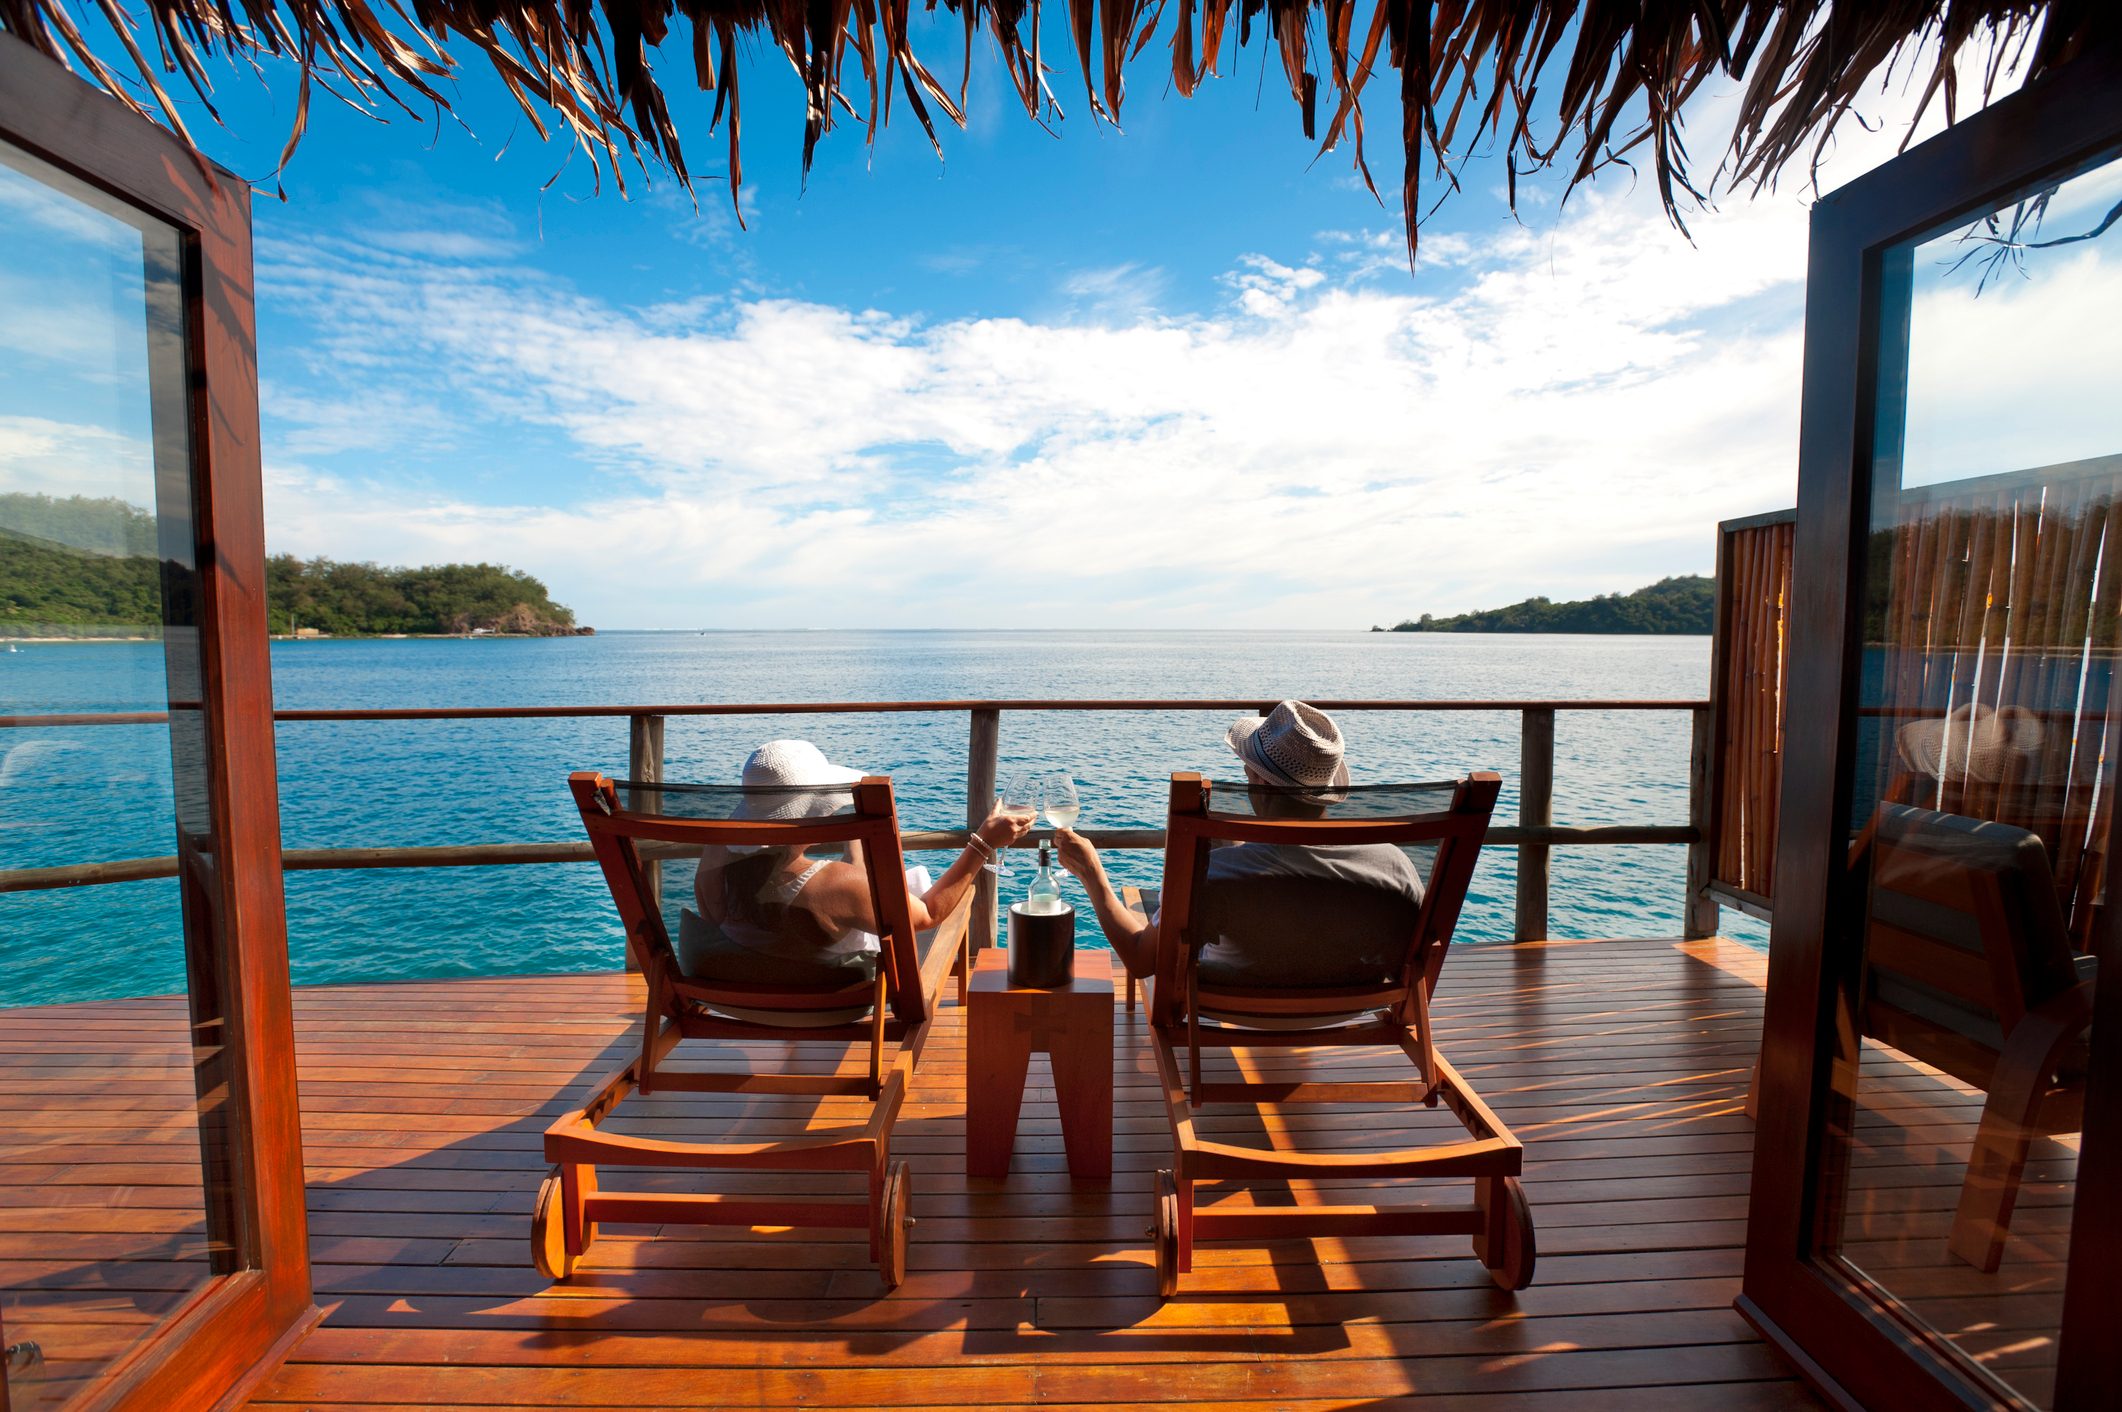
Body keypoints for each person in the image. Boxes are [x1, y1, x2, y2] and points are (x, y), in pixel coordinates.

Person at [1054, 700, 1427, 989]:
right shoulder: (1393, 864)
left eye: (1247, 773)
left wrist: (1092, 874)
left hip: (1234, 1001)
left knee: (1156, 916)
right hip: (1348, 1004)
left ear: (1261, 785)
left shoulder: (1217, 874)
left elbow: (1141, 961)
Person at [684, 739, 1034, 989]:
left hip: (749, 990)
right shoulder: (835, 885)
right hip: (834, 1000)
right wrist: (984, 842)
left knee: (881, 894)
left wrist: (854, 833)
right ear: (818, 810)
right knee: (935, 902)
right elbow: (928, 915)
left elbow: (715, 917)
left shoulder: (718, 861)